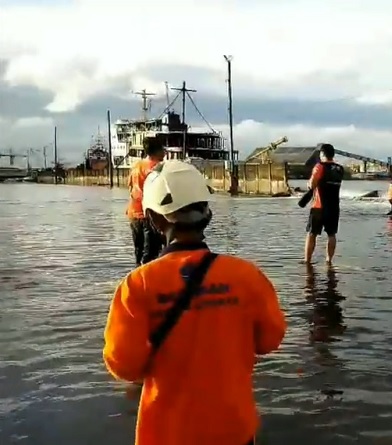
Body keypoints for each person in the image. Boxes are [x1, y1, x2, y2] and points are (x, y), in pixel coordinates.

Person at [103, 160, 287, 445]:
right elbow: (270, 339)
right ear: (207, 215)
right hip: (233, 428)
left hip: (166, 434)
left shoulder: (138, 285)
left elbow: (124, 365)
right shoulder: (247, 275)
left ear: (153, 219)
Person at [127, 137, 166, 266]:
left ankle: (136, 281)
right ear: (157, 151)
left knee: (139, 253)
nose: (165, 152)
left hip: (134, 213)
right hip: (150, 215)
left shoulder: (136, 166)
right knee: (151, 255)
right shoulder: (158, 168)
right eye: (163, 149)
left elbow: (130, 188)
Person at [304, 143, 345, 264]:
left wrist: (309, 184)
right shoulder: (339, 169)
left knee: (312, 233)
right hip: (333, 207)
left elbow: (312, 185)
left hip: (319, 206)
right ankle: (329, 260)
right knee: (331, 234)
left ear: (322, 154)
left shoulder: (319, 166)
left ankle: (307, 260)